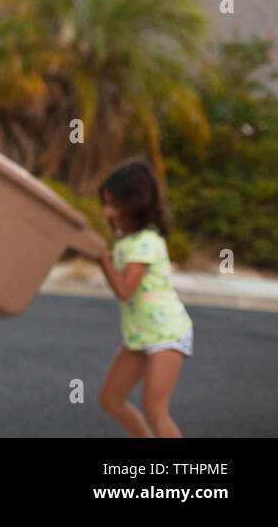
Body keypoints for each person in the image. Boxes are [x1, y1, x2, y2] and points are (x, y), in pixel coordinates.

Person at [95, 158, 193, 437]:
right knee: (110, 400)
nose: (108, 212)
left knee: (155, 410)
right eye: (106, 203)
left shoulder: (146, 242)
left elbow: (125, 290)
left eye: (114, 204)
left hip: (167, 333)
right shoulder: (127, 241)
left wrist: (102, 263)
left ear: (135, 204)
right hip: (141, 335)